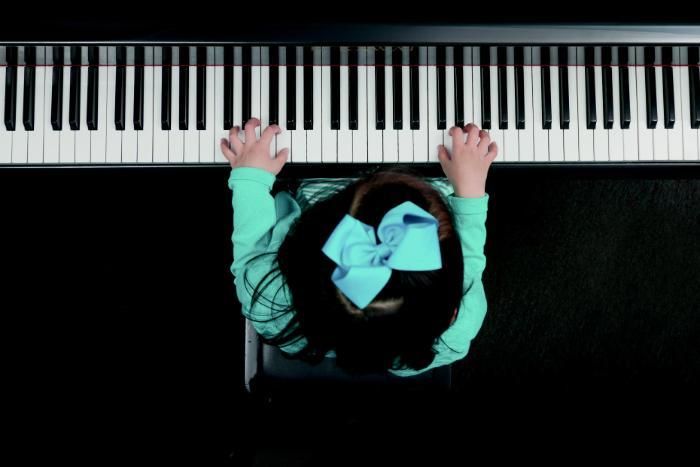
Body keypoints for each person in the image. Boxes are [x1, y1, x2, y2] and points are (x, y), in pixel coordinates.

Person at [221, 118, 497, 376]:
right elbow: (471, 263)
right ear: (452, 313)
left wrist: (251, 178)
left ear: (304, 243)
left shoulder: (270, 301)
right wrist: (470, 193)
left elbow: (250, 254)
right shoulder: (458, 330)